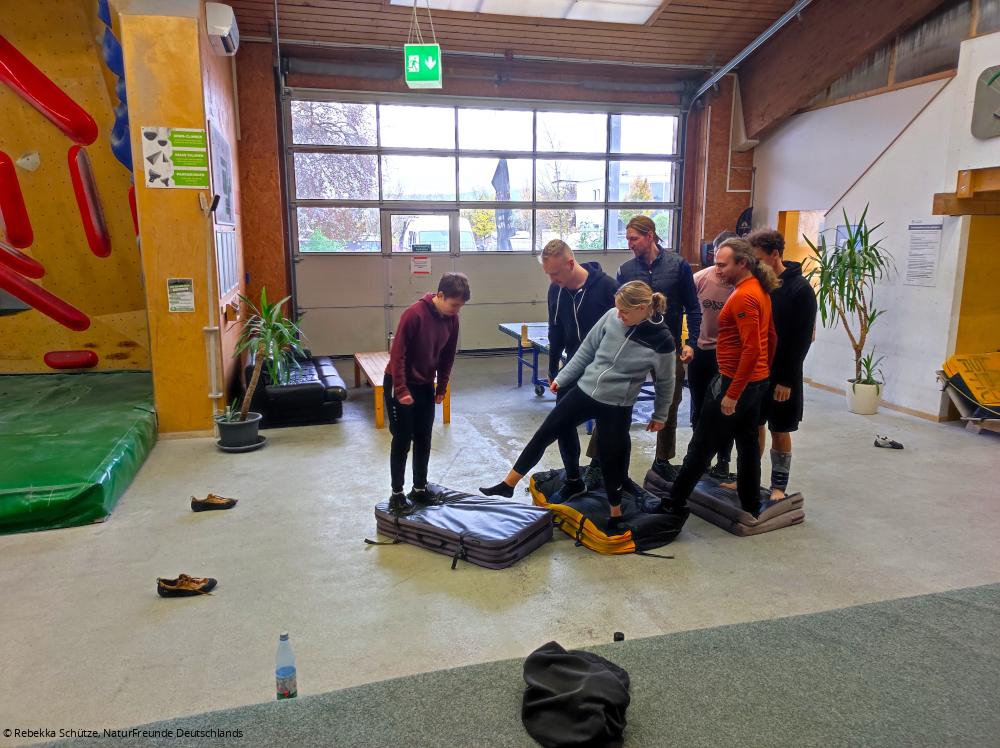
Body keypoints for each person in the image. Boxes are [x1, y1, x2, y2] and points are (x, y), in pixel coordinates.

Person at [481, 281, 675, 532]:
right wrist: (563, 378)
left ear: (641, 309)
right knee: (546, 431)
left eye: (624, 312)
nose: (619, 315)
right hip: (585, 391)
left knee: (611, 459)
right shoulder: (611, 316)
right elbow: (586, 350)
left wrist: (660, 414)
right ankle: (508, 484)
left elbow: (666, 381)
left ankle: (615, 513)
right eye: (617, 309)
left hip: (617, 405)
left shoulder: (662, 341)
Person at [659, 238, 778, 518]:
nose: (717, 270)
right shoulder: (758, 289)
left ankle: (672, 503)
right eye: (716, 264)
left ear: (743, 263)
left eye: (723, 265)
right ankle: (750, 504)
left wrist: (733, 393)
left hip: (734, 381)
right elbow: (771, 337)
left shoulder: (744, 296)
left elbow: (753, 348)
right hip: (753, 380)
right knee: (748, 444)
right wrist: (762, 373)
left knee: (701, 445)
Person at [616, 215, 701, 482]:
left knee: (670, 404)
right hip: (634, 348)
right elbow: (619, 312)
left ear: (650, 235)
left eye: (634, 238)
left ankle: (663, 460)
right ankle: (600, 459)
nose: (629, 244)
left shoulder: (678, 266)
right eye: (628, 239)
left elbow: (693, 307)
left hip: (668, 349)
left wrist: (692, 342)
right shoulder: (626, 270)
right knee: (616, 401)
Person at [384, 272, 470, 515]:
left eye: (460, 306)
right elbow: (397, 354)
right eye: (454, 305)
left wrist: (441, 386)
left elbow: (447, 355)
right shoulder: (414, 314)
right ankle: (397, 494)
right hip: (399, 382)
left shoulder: (452, 319)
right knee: (402, 439)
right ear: (440, 295)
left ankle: (419, 488)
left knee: (424, 438)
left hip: (424, 384)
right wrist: (401, 390)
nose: (456, 310)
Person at [541, 239, 618, 495]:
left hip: (606, 369)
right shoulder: (556, 290)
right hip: (572, 365)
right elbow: (555, 330)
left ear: (571, 263)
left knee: (609, 425)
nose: (552, 279)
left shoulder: (608, 288)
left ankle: (604, 472)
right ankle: (573, 480)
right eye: (548, 274)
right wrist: (553, 368)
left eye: (555, 273)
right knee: (562, 422)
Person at [747, 228, 817, 501]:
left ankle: (778, 486)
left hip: (784, 373)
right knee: (754, 425)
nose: (754, 265)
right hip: (758, 370)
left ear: (774, 254)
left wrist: (786, 380)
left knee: (779, 428)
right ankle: (748, 479)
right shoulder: (760, 284)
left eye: (757, 258)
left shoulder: (800, 290)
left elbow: (802, 340)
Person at [688, 230, 736, 480]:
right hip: (701, 352)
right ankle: (700, 458)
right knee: (699, 407)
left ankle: (723, 460)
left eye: (725, 262)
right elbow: (686, 310)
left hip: (727, 355)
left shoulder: (742, 285)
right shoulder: (700, 279)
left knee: (724, 409)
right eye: (717, 259)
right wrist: (688, 344)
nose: (720, 267)